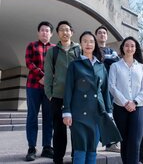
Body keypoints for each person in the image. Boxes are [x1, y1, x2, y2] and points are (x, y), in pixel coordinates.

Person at [62, 31, 121, 164]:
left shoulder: (101, 66)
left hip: (97, 113)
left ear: (95, 44)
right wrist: (66, 111)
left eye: (91, 41)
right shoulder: (75, 65)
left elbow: (105, 91)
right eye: (85, 41)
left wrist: (109, 111)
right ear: (80, 44)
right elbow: (68, 89)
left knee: (92, 149)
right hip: (78, 113)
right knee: (80, 148)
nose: (88, 44)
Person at [108, 36, 143, 164]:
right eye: (127, 45)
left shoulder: (142, 67)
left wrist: (135, 102)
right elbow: (112, 86)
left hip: (138, 107)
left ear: (136, 48)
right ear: (122, 48)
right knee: (125, 140)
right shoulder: (115, 66)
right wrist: (125, 102)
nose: (129, 48)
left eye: (132, 46)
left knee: (135, 141)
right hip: (120, 107)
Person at [44, 20, 81, 164]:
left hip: (76, 97)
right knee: (59, 130)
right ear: (58, 33)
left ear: (72, 32)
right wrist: (49, 94)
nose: (65, 32)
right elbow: (48, 75)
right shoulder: (52, 51)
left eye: (67, 30)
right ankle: (58, 158)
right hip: (58, 96)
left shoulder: (78, 50)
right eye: (61, 30)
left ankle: (75, 157)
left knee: (76, 129)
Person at [25, 21, 54, 162]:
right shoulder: (32, 46)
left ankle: (47, 147)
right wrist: (41, 76)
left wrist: (48, 79)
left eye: (47, 30)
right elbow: (29, 62)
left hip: (49, 89)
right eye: (42, 30)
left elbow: (58, 67)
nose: (44, 32)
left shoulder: (55, 48)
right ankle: (31, 148)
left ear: (51, 34)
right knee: (32, 116)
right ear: (38, 32)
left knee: (49, 117)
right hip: (33, 86)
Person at [95, 25, 120, 153]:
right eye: (99, 33)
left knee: (110, 115)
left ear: (107, 36)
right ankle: (94, 142)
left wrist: (104, 59)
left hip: (109, 88)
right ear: (96, 35)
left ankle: (111, 143)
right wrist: (106, 60)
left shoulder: (112, 51)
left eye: (104, 33)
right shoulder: (92, 49)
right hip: (94, 88)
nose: (102, 35)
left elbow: (116, 62)